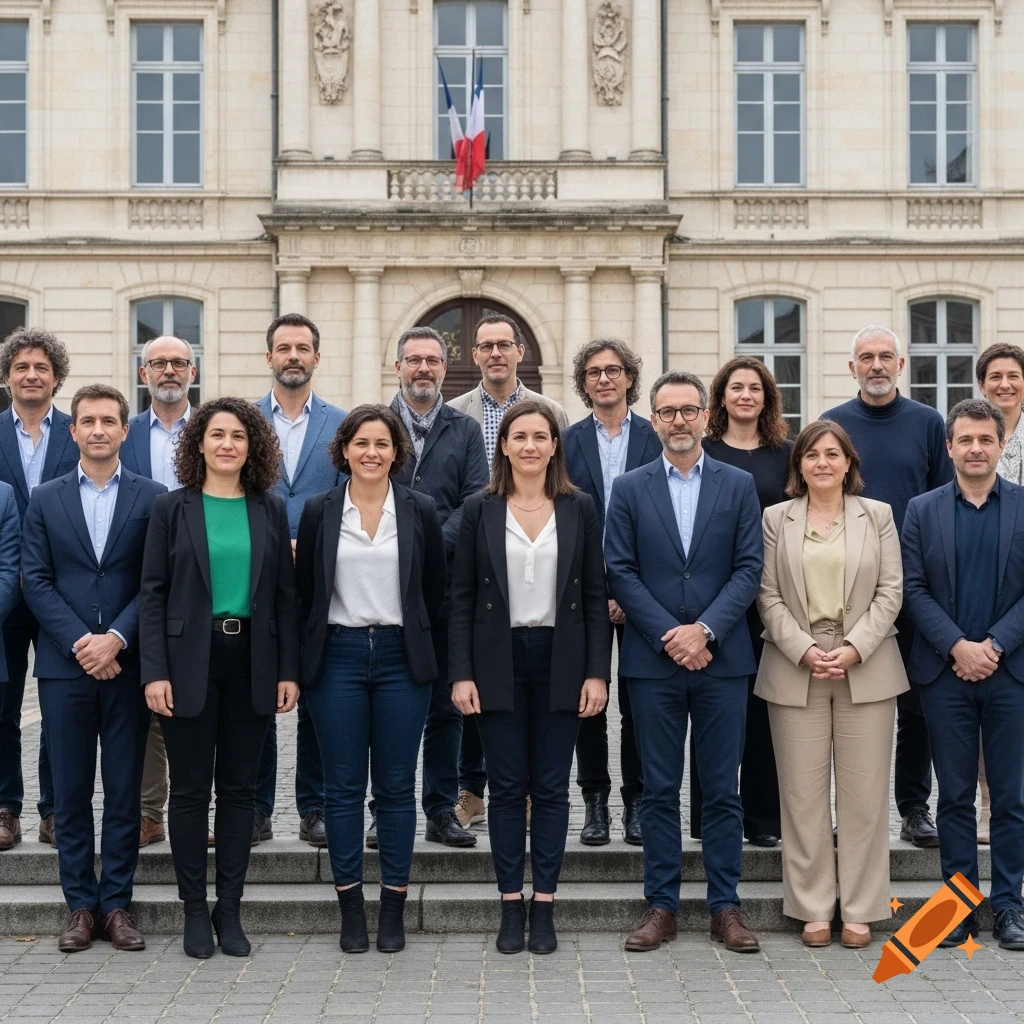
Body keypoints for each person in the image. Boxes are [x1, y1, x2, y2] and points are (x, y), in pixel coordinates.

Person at [605, 370, 764, 955]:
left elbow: (750, 567)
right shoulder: (629, 487)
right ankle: (662, 906)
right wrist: (671, 634)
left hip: (723, 661)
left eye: (688, 410)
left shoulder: (738, 484)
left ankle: (725, 906)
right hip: (654, 661)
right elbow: (619, 568)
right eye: (667, 411)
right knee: (658, 789)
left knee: (722, 789)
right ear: (654, 419)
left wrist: (705, 631)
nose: (678, 420)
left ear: (704, 417)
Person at [139, 397, 300, 960]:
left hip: (252, 659)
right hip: (187, 664)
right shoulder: (171, 508)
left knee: (237, 792)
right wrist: (154, 671)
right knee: (187, 792)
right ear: (198, 444)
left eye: (238, 436)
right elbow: (153, 595)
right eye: (217, 435)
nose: (227, 444)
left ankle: (227, 911)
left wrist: (288, 671)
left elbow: (284, 596)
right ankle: (192, 913)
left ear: (253, 446)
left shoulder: (270, 509)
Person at [450, 400, 609, 955]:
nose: (530, 446)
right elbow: (463, 597)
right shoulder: (481, 508)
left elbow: (593, 596)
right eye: (519, 436)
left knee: (550, 787)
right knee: (507, 786)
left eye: (541, 436)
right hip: (498, 659)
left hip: (561, 657)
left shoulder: (579, 507)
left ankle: (544, 903)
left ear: (554, 446)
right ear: (504, 446)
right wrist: (461, 673)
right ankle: (509, 906)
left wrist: (596, 673)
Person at [295, 405, 445, 955]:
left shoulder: (420, 509)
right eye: (361, 443)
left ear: (396, 452)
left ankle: (393, 910)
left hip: (401, 660)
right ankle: (351, 909)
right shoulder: (320, 509)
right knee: (342, 789)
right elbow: (305, 592)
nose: (372, 453)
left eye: (382, 443)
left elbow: (435, 592)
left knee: (396, 788)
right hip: (336, 657)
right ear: (344, 450)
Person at [22, 385, 166, 953]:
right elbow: (36, 579)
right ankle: (80, 905)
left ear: (125, 431)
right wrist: (84, 641)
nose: (99, 429)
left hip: (127, 666)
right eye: (88, 421)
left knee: (125, 791)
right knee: (72, 793)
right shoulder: (45, 498)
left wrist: (117, 639)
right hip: (64, 666)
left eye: (110, 420)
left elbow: (156, 581)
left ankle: (117, 906)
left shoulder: (154, 498)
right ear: (73, 431)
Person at [756, 420, 906, 949]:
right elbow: (767, 594)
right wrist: (803, 648)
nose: (822, 462)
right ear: (798, 466)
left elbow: (891, 591)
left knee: (865, 796)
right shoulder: (776, 518)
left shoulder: (879, 516)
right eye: (812, 455)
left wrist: (855, 646)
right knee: (802, 796)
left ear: (848, 463)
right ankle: (814, 906)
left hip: (865, 664)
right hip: (796, 666)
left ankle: (863, 907)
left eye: (832, 454)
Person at [822, 325, 952, 849]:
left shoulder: (927, 423)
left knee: (916, 705)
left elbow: (944, 502)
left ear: (901, 366)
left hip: (913, 586)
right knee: (840, 707)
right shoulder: (833, 423)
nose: (876, 365)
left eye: (885, 357)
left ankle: (915, 807)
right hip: (846, 587)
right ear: (851, 368)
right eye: (865, 358)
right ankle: (842, 812)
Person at [903, 398, 1024, 952]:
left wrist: (995, 644)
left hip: (1010, 672)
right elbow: (912, 588)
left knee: (1011, 796)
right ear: (949, 447)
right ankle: (957, 907)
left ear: (1001, 446)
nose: (976, 449)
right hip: (945, 674)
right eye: (965, 440)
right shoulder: (922, 510)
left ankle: (1009, 907)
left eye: (986, 440)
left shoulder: (1023, 506)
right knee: (952, 796)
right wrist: (957, 646)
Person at [448, 314, 569, 824]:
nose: (495, 353)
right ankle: (472, 791)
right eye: (485, 346)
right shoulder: (457, 413)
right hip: (481, 551)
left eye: (504, 344)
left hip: (535, 551)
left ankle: (518, 795)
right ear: (473, 355)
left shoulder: (552, 412)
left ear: (520, 350)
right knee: (480, 693)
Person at [386, 326, 488, 850]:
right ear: (398, 367)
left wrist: (423, 543)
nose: (423, 368)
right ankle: (390, 812)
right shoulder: (377, 425)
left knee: (447, 707)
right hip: (383, 587)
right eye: (413, 360)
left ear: (445, 369)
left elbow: (475, 499)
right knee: (394, 705)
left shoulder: (465, 429)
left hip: (447, 587)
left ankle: (441, 811)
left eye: (432, 360)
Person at [561, 338, 661, 846]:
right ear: (583, 383)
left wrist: (629, 589)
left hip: (645, 592)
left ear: (629, 380)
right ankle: (595, 804)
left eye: (614, 370)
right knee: (589, 701)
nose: (604, 379)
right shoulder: (566, 440)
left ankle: (637, 804)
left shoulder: (655, 436)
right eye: (595, 372)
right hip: (584, 592)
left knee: (637, 702)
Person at [691, 357, 792, 848]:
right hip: (714, 603)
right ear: (722, 397)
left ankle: (764, 820)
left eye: (755, 388)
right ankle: (708, 817)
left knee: (762, 709)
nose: (746, 395)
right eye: (736, 388)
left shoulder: (787, 455)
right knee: (712, 712)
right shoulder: (702, 452)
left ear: (767, 397)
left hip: (772, 599)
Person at [254, 313, 346, 849]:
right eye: (283, 347)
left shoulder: (339, 423)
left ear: (316, 357)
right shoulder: (241, 420)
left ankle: (315, 807)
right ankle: (257, 808)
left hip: (319, 581)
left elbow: (345, 496)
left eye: (302, 347)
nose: (293, 355)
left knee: (316, 695)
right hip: (258, 581)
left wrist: (308, 544)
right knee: (257, 697)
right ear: (269, 357)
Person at [0, 327, 78, 852]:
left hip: (59, 591)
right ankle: (6, 809)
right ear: (7, 377)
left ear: (56, 378)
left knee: (58, 705)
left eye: (41, 368)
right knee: (2, 706)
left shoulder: (80, 431)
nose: (32, 375)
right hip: (4, 592)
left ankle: (56, 810)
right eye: (22, 366)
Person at [120, 334, 196, 850]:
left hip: (198, 579)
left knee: (196, 698)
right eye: (158, 363)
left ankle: (196, 810)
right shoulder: (124, 433)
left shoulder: (212, 430)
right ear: (144, 372)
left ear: (192, 371)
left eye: (178, 363)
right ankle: (149, 813)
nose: (168, 371)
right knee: (147, 696)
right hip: (134, 577)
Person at [974, 343, 1024, 844]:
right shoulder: (972, 433)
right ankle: (989, 804)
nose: (1004, 384)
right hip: (986, 589)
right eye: (994, 376)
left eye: (1013, 375)